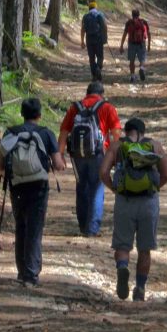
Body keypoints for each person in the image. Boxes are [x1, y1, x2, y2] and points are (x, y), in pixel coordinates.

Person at [0, 98, 66, 286]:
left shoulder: (11, 133)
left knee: (21, 225)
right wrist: (59, 164)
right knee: (35, 228)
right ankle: (31, 274)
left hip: (17, 185)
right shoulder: (46, 134)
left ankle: (22, 270)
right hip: (38, 186)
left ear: (21, 114)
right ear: (40, 115)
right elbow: (58, 164)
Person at [100, 117, 167, 302]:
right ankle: (140, 287)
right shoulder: (155, 146)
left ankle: (122, 266)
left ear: (125, 131)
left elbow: (103, 172)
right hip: (148, 201)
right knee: (145, 249)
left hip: (125, 201)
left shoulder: (117, 146)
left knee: (122, 245)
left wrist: (115, 189)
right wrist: (155, 188)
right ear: (143, 131)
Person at [58, 82, 122, 237]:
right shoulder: (107, 108)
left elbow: (64, 132)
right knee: (96, 188)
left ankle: (82, 224)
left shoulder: (75, 108)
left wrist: (59, 154)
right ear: (101, 94)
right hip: (98, 153)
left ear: (87, 93)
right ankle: (92, 228)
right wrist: (115, 156)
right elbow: (116, 134)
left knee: (81, 187)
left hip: (77, 155)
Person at [119, 9, 152, 83]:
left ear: (132, 14)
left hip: (131, 44)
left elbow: (124, 34)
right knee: (142, 59)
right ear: (139, 14)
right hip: (141, 43)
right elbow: (149, 34)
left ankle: (132, 76)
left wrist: (121, 45)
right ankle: (142, 68)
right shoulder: (143, 22)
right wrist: (149, 44)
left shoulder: (129, 23)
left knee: (132, 61)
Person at [81, 1, 108, 82]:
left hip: (89, 39)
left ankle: (94, 75)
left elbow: (83, 29)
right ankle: (98, 69)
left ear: (89, 8)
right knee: (100, 56)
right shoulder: (99, 15)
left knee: (91, 58)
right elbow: (104, 26)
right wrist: (105, 37)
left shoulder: (85, 16)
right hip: (98, 39)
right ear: (96, 8)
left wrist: (82, 41)